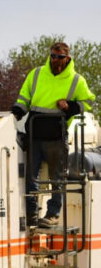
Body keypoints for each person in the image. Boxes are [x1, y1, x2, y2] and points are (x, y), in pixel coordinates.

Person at [11, 41, 95, 227]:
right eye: (52, 56)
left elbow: (88, 102)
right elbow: (24, 97)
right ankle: (32, 213)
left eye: (59, 57)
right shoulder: (37, 74)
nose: (55, 60)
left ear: (67, 58)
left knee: (57, 179)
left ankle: (52, 214)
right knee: (31, 177)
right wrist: (17, 111)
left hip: (57, 136)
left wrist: (70, 106)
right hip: (35, 133)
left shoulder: (76, 80)